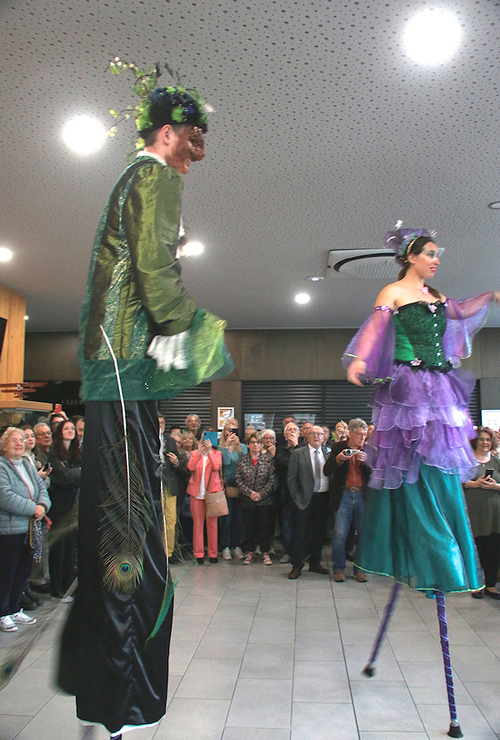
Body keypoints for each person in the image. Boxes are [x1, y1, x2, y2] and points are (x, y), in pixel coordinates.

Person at [57, 70, 233, 739]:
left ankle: (105, 693)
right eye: (192, 143)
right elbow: (157, 280)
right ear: (166, 132)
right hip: (125, 371)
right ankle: (123, 705)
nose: (196, 157)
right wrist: (206, 344)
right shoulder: (153, 179)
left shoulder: (130, 185)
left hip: (116, 374)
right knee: (129, 534)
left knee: (118, 523)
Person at [344, 223, 500, 735]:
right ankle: (432, 552)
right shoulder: (393, 291)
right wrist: (363, 359)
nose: (436, 260)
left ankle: (442, 549)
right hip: (409, 384)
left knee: (437, 464)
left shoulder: (436, 295)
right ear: (411, 256)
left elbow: (457, 313)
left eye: (438, 254)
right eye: (430, 253)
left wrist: (490, 296)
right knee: (410, 466)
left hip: (439, 389)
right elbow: (375, 327)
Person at [0, 428, 51, 632]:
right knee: (7, 572)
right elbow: (5, 496)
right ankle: (2, 612)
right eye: (14, 440)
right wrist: (34, 508)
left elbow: (41, 488)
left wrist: (43, 506)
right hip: (9, 530)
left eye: (22, 440)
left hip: (30, 528)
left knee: (23, 571)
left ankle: (14, 608)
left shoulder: (28, 465)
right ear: (4, 445)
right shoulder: (2, 466)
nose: (20, 443)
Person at [324, 418, 371, 582]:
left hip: (362, 495)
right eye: (359, 435)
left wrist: (365, 463)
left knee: (363, 534)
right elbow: (326, 471)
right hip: (343, 495)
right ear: (350, 433)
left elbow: (374, 475)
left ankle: (360, 569)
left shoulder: (368, 449)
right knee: (339, 534)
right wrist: (338, 460)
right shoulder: (338, 447)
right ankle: (338, 568)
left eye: (365, 435)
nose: (362, 438)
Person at [287, 426, 332, 579]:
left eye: (320, 434)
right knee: (301, 533)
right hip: (305, 499)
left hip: (323, 497)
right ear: (307, 436)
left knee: (319, 533)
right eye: (313, 434)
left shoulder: (329, 452)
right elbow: (291, 479)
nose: (317, 437)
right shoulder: (299, 453)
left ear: (324, 436)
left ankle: (315, 562)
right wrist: (296, 498)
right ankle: (297, 565)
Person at [463, 427, 500, 599]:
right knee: (476, 549)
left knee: (494, 549)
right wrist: (475, 484)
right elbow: (458, 482)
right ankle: (476, 585)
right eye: (482, 439)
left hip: (495, 514)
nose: (485, 443)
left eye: (488, 439)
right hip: (474, 512)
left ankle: (491, 585)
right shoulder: (467, 460)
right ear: (476, 441)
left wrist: (495, 486)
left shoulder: (497, 461)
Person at [47, 420, 81, 600]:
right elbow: (62, 477)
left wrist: (73, 474)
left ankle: (68, 584)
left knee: (70, 547)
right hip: (59, 504)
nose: (70, 431)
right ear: (60, 432)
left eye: (72, 428)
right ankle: (57, 586)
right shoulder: (53, 453)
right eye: (66, 428)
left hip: (73, 503)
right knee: (59, 548)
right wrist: (77, 473)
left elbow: (75, 476)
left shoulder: (77, 453)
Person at [235, 431, 275, 565]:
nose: (256, 445)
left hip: (264, 500)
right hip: (247, 500)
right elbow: (238, 479)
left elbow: (271, 480)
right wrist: (250, 492)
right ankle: (250, 552)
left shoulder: (267, 459)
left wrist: (261, 494)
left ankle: (265, 553)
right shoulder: (243, 460)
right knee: (249, 528)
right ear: (247, 444)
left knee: (264, 528)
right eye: (252, 442)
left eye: (258, 442)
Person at [187, 437, 223, 564]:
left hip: (212, 494)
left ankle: (213, 553)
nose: (205, 443)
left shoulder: (217, 453)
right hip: (196, 494)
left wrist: (210, 452)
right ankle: (198, 554)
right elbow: (190, 467)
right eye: (203, 440)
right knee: (197, 524)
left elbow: (217, 466)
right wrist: (198, 452)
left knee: (212, 525)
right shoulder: (194, 454)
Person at [218, 418, 247, 560]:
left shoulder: (243, 446)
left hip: (241, 487)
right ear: (224, 431)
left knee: (238, 519)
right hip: (226, 487)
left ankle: (236, 545)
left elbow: (245, 461)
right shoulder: (220, 447)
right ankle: (225, 547)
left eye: (234, 428)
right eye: (229, 428)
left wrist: (238, 448)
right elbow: (226, 462)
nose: (232, 430)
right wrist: (228, 447)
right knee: (226, 519)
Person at [275, 421, 300, 564]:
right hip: (285, 493)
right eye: (289, 430)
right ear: (284, 436)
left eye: (294, 430)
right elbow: (281, 464)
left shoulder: (302, 448)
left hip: (300, 493)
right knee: (286, 524)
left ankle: (299, 552)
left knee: (301, 524)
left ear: (299, 434)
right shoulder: (280, 450)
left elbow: (302, 464)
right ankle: (288, 551)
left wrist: (296, 446)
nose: (291, 432)